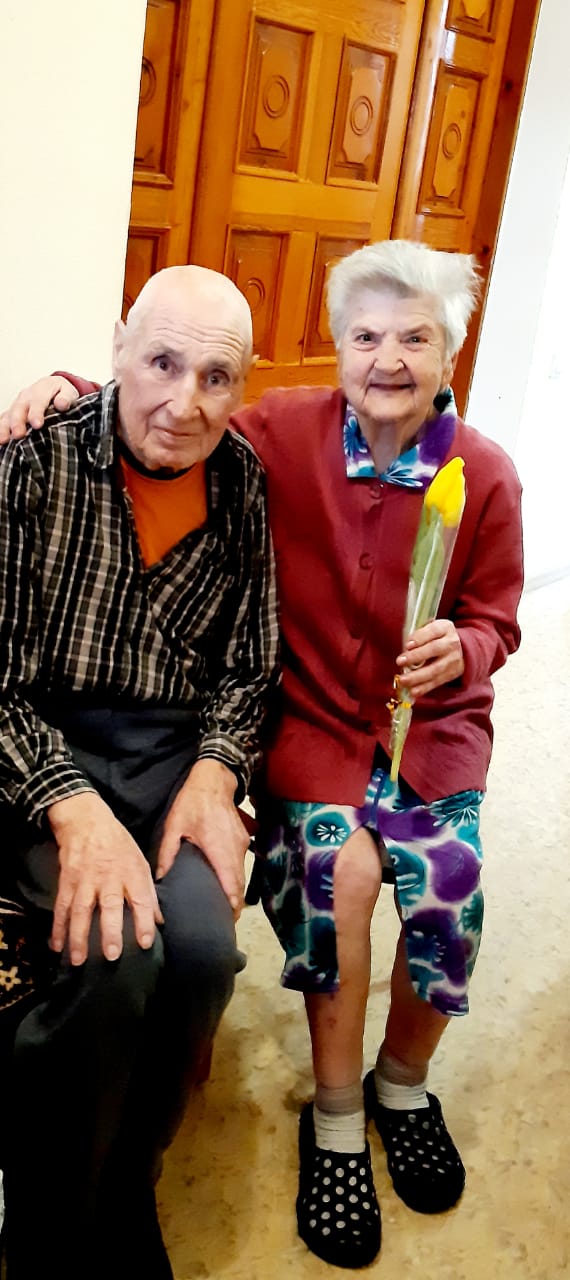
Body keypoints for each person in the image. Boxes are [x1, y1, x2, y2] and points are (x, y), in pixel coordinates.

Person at [2, 240, 524, 1271]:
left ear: (450, 349)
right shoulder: (232, 439)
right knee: (236, 913)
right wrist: (69, 384)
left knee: (388, 908)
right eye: (366, 336)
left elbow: (270, 660)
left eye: (415, 337)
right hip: (188, 742)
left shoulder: (445, 472)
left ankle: (379, 1094)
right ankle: (94, 1209)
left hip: (357, 741)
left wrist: (217, 769)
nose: (388, 359)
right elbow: (154, 403)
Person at [0, 265, 279, 1280]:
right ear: (118, 346)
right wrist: (71, 807)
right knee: (114, 951)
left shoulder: (243, 483)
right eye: (162, 362)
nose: (185, 402)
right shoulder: (35, 466)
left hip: (174, 757)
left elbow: (251, 668)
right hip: (41, 745)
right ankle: (49, 1218)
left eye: (217, 377)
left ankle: (127, 1182)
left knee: (200, 954)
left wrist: (217, 770)